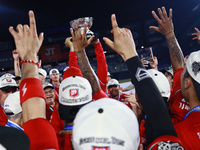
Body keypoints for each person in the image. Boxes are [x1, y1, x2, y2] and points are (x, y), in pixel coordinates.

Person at [102, 13, 184, 149]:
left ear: (140, 100)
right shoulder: (184, 119)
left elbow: (155, 110)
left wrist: (129, 54)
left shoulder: (157, 133)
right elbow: (179, 70)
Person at [9, 10, 58, 149]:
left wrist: (28, 57)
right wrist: (29, 57)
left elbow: (32, 116)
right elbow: (34, 118)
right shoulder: (42, 142)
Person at [150, 7, 190, 125]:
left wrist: (169, 34)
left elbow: (179, 67)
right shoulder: (176, 94)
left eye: (167, 75)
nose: (164, 76)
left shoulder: (178, 93)